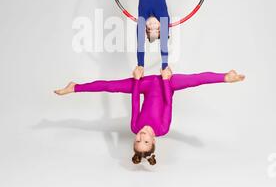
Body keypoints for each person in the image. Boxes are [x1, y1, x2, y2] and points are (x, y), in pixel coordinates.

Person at [54, 69, 245, 166]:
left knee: (110, 86)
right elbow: (168, 103)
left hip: (145, 86)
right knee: (195, 80)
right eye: (145, 140)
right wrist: (165, 79)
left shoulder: (135, 126)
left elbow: (135, 101)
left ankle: (75, 87)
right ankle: (226, 76)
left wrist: (137, 80)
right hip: (167, 85)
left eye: (138, 139)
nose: (141, 134)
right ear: (153, 140)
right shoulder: (162, 129)